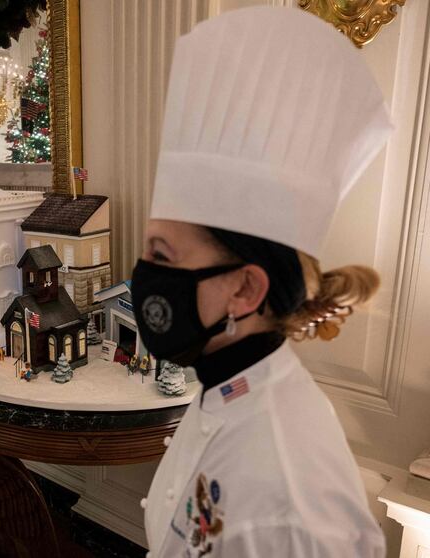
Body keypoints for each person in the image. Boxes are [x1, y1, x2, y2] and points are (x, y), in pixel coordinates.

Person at [133, 7, 392, 558]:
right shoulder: (225, 383)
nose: (144, 273)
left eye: (161, 254)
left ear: (245, 291)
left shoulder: (289, 503)